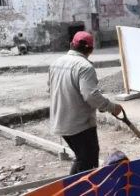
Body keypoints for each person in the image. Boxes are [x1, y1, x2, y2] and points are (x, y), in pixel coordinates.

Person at [48, 31, 123, 175]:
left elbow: (50, 90)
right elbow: (91, 96)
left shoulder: (55, 64)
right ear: (91, 50)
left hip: (60, 121)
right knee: (88, 162)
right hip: (79, 125)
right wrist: (112, 107)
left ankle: (74, 189)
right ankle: (81, 190)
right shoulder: (85, 67)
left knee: (82, 159)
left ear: (71, 45)